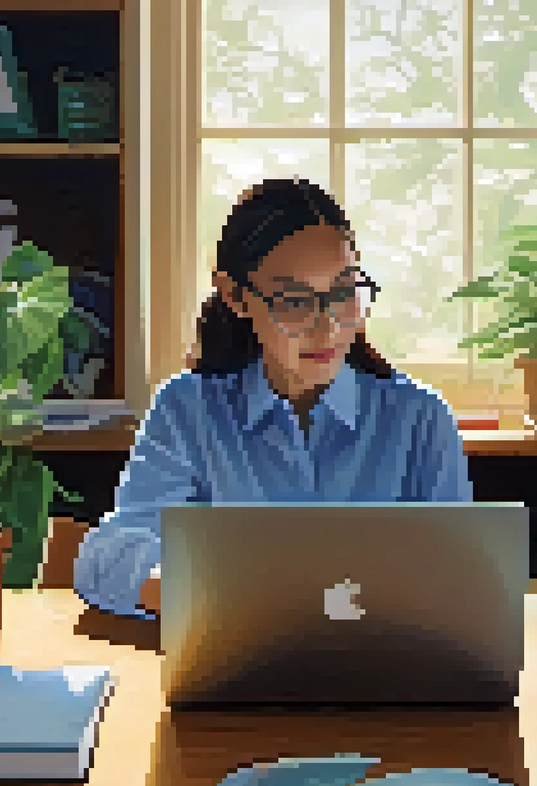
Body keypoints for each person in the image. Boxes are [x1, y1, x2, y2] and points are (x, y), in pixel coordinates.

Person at [72, 178, 472, 618]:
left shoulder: (421, 418)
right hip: (231, 664)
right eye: (295, 301)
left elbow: (457, 579)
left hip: (388, 671)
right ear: (235, 297)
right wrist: (187, 589)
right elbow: (106, 556)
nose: (329, 326)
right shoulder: (189, 408)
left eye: (343, 294)